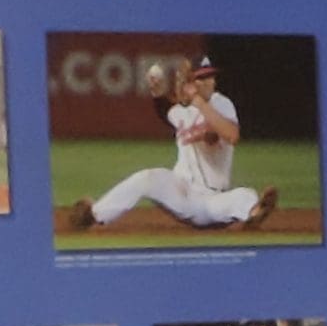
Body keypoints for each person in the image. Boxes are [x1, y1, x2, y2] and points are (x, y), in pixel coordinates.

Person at [66, 57, 277, 235]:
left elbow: (232, 135)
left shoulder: (221, 103)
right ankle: (94, 215)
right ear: (187, 83)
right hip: (180, 191)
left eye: (211, 76)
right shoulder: (182, 111)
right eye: (201, 78)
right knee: (146, 178)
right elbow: (167, 111)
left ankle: (255, 213)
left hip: (213, 201)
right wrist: (157, 92)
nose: (209, 82)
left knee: (243, 195)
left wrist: (198, 102)